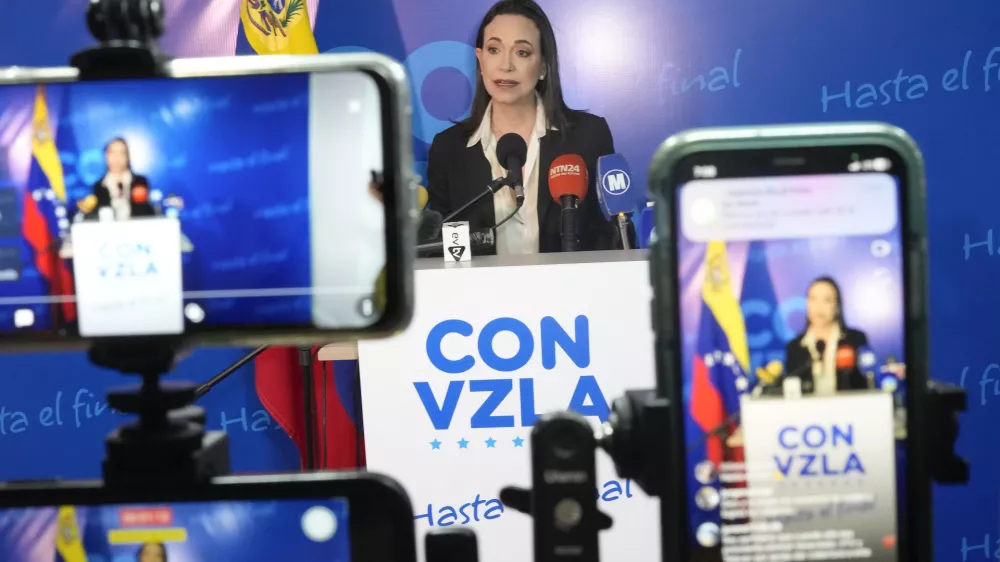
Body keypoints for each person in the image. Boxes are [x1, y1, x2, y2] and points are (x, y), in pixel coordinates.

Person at [425, 0, 622, 254]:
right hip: (478, 293)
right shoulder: (448, 149)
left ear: (543, 66)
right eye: (494, 50)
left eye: (522, 52)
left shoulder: (589, 136)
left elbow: (610, 237)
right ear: (480, 60)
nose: (505, 65)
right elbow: (438, 249)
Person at [784, 276, 871, 395]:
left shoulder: (855, 340)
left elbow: (866, 384)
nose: (819, 307)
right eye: (813, 299)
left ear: (837, 306)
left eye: (827, 300)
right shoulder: (794, 347)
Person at [86, 137, 156, 220]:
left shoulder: (140, 182)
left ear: (127, 157)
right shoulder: (98, 186)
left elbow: (147, 213)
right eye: (112, 153)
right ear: (105, 156)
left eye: (121, 153)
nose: (117, 158)